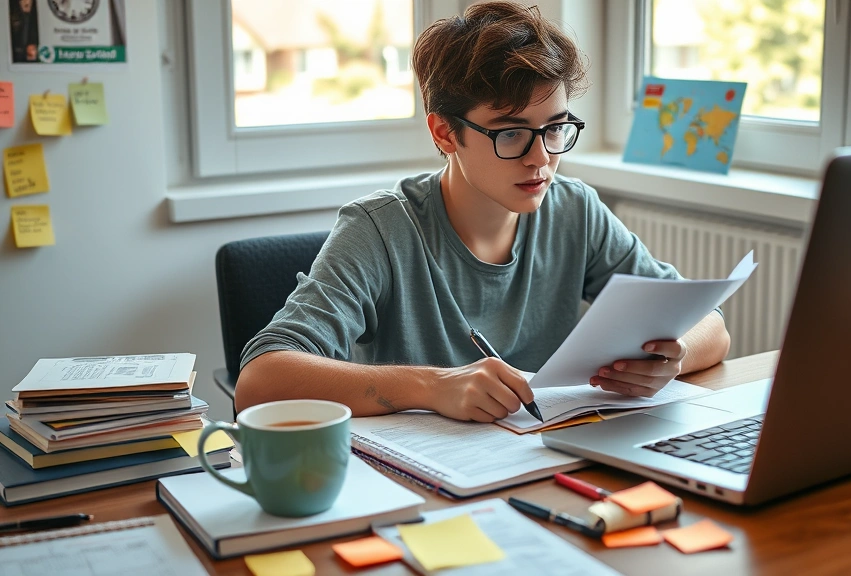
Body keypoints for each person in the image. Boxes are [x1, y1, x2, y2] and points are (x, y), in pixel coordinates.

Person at [234, 1, 731, 421]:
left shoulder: (575, 209)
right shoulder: (380, 230)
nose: (542, 157)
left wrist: (675, 355)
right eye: (511, 133)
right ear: (445, 133)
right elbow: (258, 381)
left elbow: (710, 324)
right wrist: (431, 386)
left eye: (555, 128)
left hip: (545, 459)